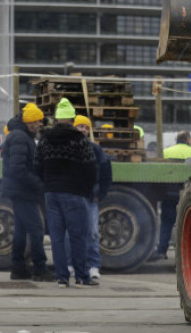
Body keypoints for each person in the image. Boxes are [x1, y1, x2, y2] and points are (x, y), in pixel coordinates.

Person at [35, 98, 98, 289]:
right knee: (78, 235)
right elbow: (90, 167)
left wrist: (47, 183)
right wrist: (86, 188)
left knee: (57, 236)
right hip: (75, 193)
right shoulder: (79, 140)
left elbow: (36, 165)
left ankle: (62, 277)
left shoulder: (45, 139)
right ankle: (81, 275)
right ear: (72, 118)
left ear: (56, 119)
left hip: (52, 193)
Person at [1, 103, 53, 281]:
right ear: (30, 122)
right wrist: (39, 184)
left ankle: (18, 268)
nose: (40, 125)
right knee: (36, 229)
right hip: (23, 191)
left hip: (21, 191)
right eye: (38, 122)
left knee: (21, 231)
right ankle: (40, 269)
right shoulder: (21, 138)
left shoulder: (22, 135)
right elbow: (18, 169)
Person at [74, 114, 112, 281]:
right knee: (72, 233)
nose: (83, 129)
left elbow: (106, 173)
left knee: (92, 233)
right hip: (74, 197)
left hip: (90, 198)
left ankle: (93, 266)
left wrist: (100, 194)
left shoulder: (96, 150)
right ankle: (71, 264)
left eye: (86, 127)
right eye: (80, 126)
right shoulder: (69, 148)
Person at [150, 130, 191, 261]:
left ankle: (161, 251)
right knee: (187, 225)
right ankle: (185, 254)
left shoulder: (166, 152)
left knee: (166, 224)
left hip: (169, 193)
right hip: (187, 193)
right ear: (188, 139)